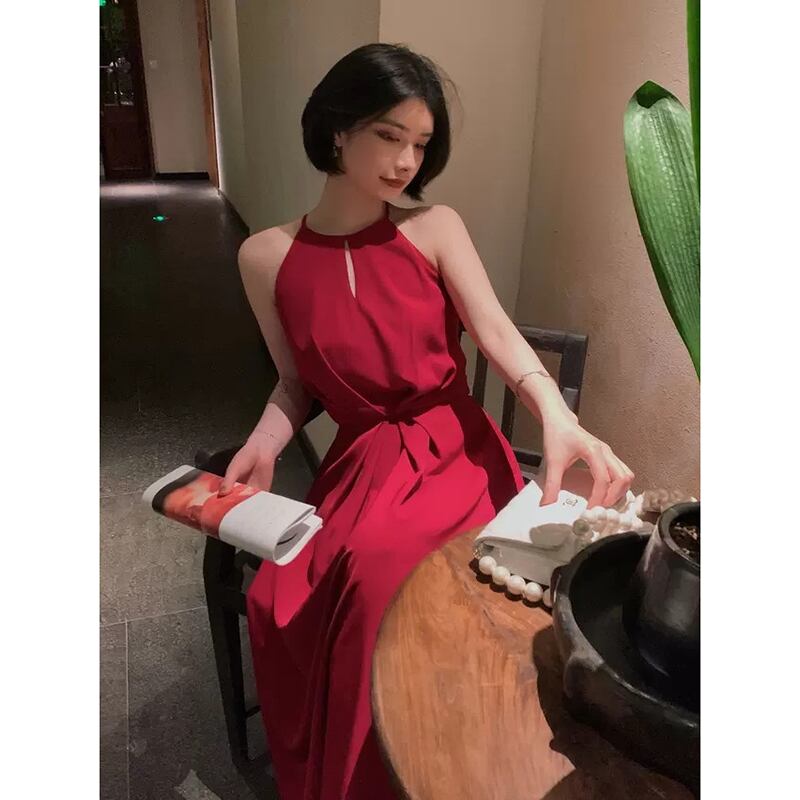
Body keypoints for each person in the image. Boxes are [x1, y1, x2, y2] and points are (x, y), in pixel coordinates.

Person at [217, 43, 634, 799]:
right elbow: (296, 383)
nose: (407, 161)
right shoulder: (264, 257)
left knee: (384, 587)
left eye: (420, 142)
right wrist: (264, 442)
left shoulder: (434, 226)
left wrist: (556, 412)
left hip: (454, 451)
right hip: (361, 465)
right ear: (337, 128)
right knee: (290, 597)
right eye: (389, 135)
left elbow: (497, 334)